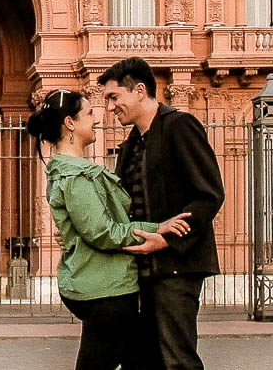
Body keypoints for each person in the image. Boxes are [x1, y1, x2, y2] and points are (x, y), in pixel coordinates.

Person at [26, 88, 185, 370]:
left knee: (141, 362)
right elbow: (102, 231)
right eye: (89, 113)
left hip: (107, 285)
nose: (96, 119)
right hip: (105, 290)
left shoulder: (77, 171)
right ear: (70, 124)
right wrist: (156, 227)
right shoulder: (75, 177)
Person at [98, 56, 224, 370]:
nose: (111, 107)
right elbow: (123, 205)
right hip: (141, 272)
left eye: (115, 97)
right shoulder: (130, 144)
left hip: (177, 268)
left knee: (177, 360)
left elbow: (209, 195)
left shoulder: (179, 125)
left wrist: (166, 240)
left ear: (139, 90)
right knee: (141, 360)